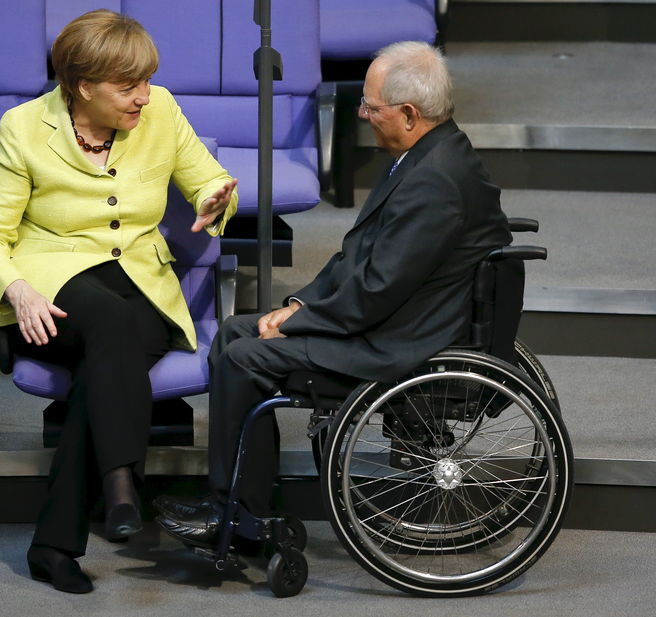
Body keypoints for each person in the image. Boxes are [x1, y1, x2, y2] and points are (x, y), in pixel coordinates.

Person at [154, 41, 512, 547]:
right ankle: (243, 498)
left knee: (243, 357)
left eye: (371, 107)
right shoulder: (430, 156)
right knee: (236, 330)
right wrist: (298, 305)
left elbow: (375, 290)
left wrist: (296, 323)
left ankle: (239, 518)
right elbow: (356, 258)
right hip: (395, 317)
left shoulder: (435, 182)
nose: (362, 114)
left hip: (400, 341)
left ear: (409, 115)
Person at [0, 10, 237, 594]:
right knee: (112, 324)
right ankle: (120, 483)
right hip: (47, 289)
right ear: (83, 87)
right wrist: (16, 288)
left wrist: (217, 198)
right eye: (127, 86)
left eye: (146, 82)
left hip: (139, 282)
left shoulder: (161, 110)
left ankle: (56, 541)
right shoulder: (23, 126)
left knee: (109, 354)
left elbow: (209, 179)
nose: (144, 97)